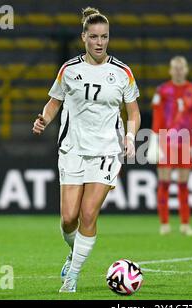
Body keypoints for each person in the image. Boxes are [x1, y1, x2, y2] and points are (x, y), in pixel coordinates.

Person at [32, 7, 140, 293]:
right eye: (93, 37)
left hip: (106, 151)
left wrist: (129, 136)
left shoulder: (122, 72)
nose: (100, 42)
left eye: (104, 36)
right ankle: (73, 252)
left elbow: (134, 111)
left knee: (88, 214)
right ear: (84, 38)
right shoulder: (69, 70)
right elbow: (54, 101)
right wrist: (44, 118)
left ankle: (73, 277)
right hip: (73, 149)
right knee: (69, 218)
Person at [147, 56, 192, 236]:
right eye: (175, 68)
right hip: (166, 140)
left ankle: (185, 224)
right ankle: (164, 224)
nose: (178, 71)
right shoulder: (163, 90)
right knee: (164, 182)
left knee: (183, 184)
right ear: (170, 70)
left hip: (185, 141)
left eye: (181, 68)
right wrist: (154, 139)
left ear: (186, 70)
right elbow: (157, 116)